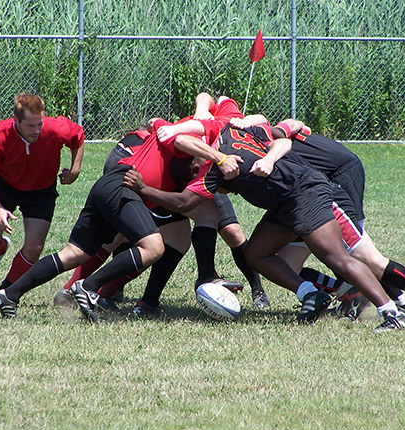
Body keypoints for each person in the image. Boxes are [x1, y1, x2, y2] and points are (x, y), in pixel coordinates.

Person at [123, 123, 405, 332]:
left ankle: (391, 312)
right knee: (256, 253)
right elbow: (280, 138)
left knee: (337, 257)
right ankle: (312, 294)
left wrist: (144, 188)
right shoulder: (233, 131)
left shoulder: (213, 169)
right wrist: (268, 157)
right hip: (284, 202)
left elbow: (185, 203)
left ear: (200, 149)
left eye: (190, 161)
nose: (190, 168)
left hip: (305, 193)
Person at [0, 117, 242, 320]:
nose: (201, 169)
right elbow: (181, 137)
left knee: (73, 253)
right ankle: (88, 287)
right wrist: (218, 157)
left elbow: (184, 202)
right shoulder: (186, 139)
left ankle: (8, 295)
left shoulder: (203, 173)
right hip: (120, 183)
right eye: (204, 162)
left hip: (118, 188)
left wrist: (149, 189)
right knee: (154, 246)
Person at [55, 93, 272, 315]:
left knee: (201, 230)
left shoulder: (251, 138)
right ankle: (77, 289)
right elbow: (207, 100)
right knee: (125, 234)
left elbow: (266, 123)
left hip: (192, 176)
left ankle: (145, 297)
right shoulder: (224, 121)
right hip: (137, 157)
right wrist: (202, 116)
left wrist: (250, 123)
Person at [268, 124, 405, 321]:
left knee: (365, 258)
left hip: (329, 189)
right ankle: (349, 291)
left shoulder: (259, 134)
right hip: (304, 200)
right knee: (286, 265)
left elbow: (285, 128)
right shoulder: (253, 138)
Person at [0, 93, 85, 291]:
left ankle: (6, 291)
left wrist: (75, 171)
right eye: (30, 126)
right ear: (16, 120)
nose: (36, 131)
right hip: (5, 186)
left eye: (39, 124)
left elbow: (78, 137)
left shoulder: (55, 128)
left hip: (41, 190)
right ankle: (0, 248)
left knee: (34, 248)